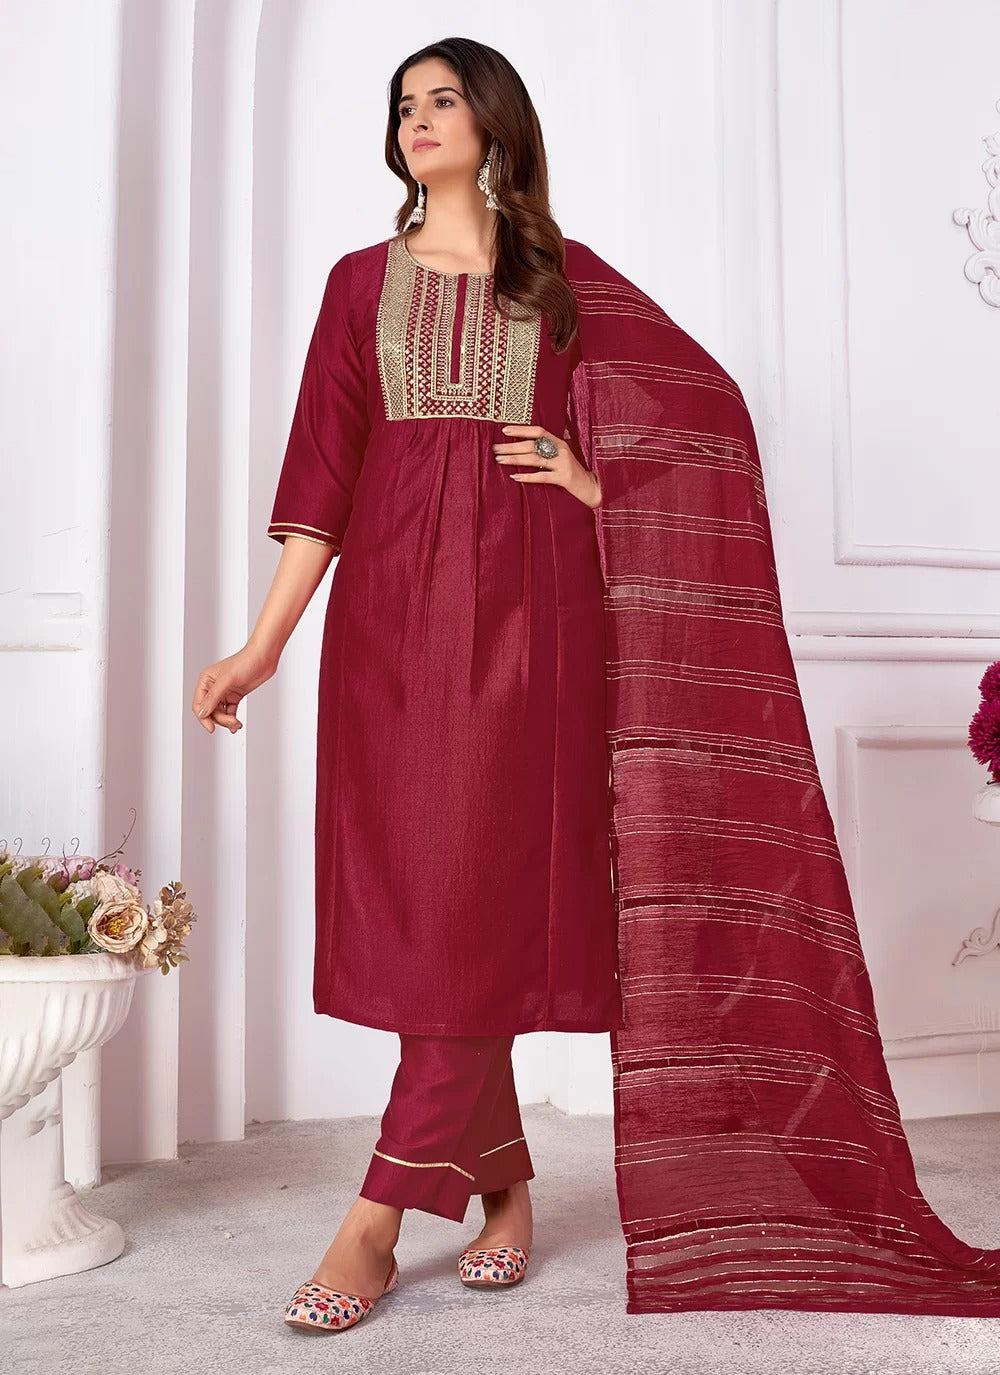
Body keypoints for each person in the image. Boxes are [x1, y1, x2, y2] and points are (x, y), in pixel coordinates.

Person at [193, 36, 1000, 1332]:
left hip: (528, 635)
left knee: (473, 907)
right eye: (403, 105)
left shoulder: (560, 290)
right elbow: (317, 494)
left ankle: (378, 1215)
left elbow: (708, 419)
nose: (418, 120)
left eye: (443, 99)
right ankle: (505, 1183)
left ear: (497, 122)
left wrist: (597, 485)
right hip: (387, 640)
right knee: (432, 923)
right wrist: (262, 645)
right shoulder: (356, 289)